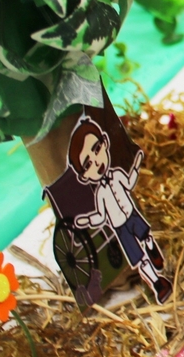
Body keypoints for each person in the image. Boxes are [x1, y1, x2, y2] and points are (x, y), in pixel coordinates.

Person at [67, 117, 173, 303]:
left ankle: (152, 248)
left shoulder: (116, 174)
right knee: (139, 259)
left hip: (132, 215)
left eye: (97, 149)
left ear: (106, 142)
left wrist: (136, 164)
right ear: (83, 177)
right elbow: (101, 216)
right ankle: (158, 284)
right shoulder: (100, 194)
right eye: (88, 165)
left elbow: (130, 183)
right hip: (121, 229)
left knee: (146, 235)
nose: (96, 162)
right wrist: (87, 220)